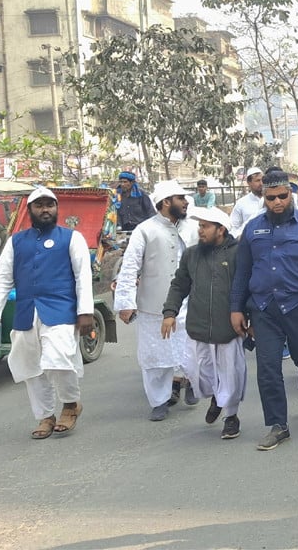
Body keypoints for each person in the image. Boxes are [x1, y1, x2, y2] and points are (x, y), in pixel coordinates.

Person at [230, 171, 298, 450]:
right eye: (271, 198)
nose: (277, 202)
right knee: (267, 368)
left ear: (289, 194)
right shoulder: (253, 229)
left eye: (282, 196)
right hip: (264, 308)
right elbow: (242, 272)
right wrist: (236, 308)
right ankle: (278, 425)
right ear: (264, 199)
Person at [0, 188, 93, 439]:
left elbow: (83, 277)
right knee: (30, 366)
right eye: (39, 205)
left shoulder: (71, 238)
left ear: (56, 209)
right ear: (29, 210)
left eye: (50, 205)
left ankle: (70, 404)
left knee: (59, 359)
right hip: (26, 313)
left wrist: (85, 311)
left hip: (61, 310)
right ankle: (44, 416)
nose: (45, 210)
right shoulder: (16, 241)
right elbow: (1, 279)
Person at [115, 180, 200, 421]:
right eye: (180, 198)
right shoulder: (145, 230)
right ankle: (159, 401)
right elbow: (130, 265)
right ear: (166, 203)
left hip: (189, 302)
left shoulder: (192, 228)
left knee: (191, 348)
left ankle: (192, 382)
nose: (185, 202)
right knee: (155, 356)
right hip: (154, 306)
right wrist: (125, 302)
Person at [162, 206, 245, 440]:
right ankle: (217, 398)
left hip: (229, 328)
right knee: (197, 374)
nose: (200, 230)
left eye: (205, 226)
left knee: (231, 375)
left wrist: (250, 318)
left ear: (221, 229)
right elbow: (179, 285)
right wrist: (170, 312)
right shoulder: (191, 254)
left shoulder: (238, 253)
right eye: (199, 226)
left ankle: (231, 417)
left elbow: (247, 288)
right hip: (197, 326)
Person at [229, 168, 265, 237]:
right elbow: (233, 226)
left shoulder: (271, 199)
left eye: (262, 180)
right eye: (257, 181)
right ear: (249, 182)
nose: (261, 183)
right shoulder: (241, 203)